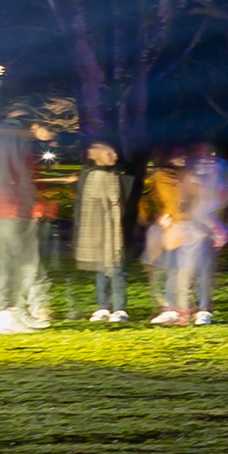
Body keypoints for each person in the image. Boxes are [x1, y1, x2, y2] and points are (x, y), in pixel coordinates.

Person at [145, 145, 228, 325]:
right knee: (174, 268)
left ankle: (203, 310)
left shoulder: (191, 175)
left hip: (198, 228)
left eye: (183, 155)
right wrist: (160, 216)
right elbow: (154, 201)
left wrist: (214, 226)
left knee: (202, 269)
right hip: (175, 229)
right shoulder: (161, 178)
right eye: (177, 155)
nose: (181, 158)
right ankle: (174, 308)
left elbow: (206, 199)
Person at [0, 102, 40, 332]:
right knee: (10, 262)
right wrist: (31, 204)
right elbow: (24, 172)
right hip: (12, 207)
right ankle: (6, 314)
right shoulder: (19, 138)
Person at [67, 136, 128, 320]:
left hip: (113, 229)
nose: (114, 156)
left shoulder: (116, 176)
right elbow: (83, 206)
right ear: (94, 155)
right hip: (96, 229)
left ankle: (119, 308)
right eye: (108, 152)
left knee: (115, 268)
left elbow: (120, 204)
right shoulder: (90, 175)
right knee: (101, 268)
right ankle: (103, 306)